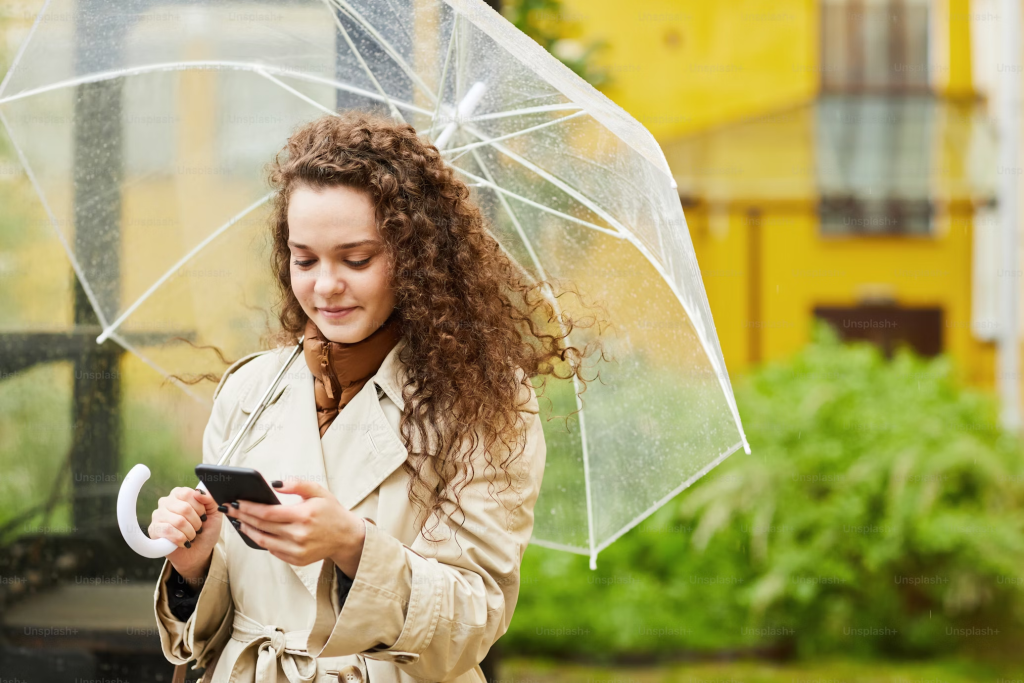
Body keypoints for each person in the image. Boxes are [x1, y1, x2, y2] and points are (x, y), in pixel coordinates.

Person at [147, 111, 603, 683]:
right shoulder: (249, 391)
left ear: (413, 258)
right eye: (304, 258)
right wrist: (194, 567)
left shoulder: (484, 404)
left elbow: (471, 620)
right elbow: (227, 624)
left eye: (356, 259)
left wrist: (353, 547)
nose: (325, 285)